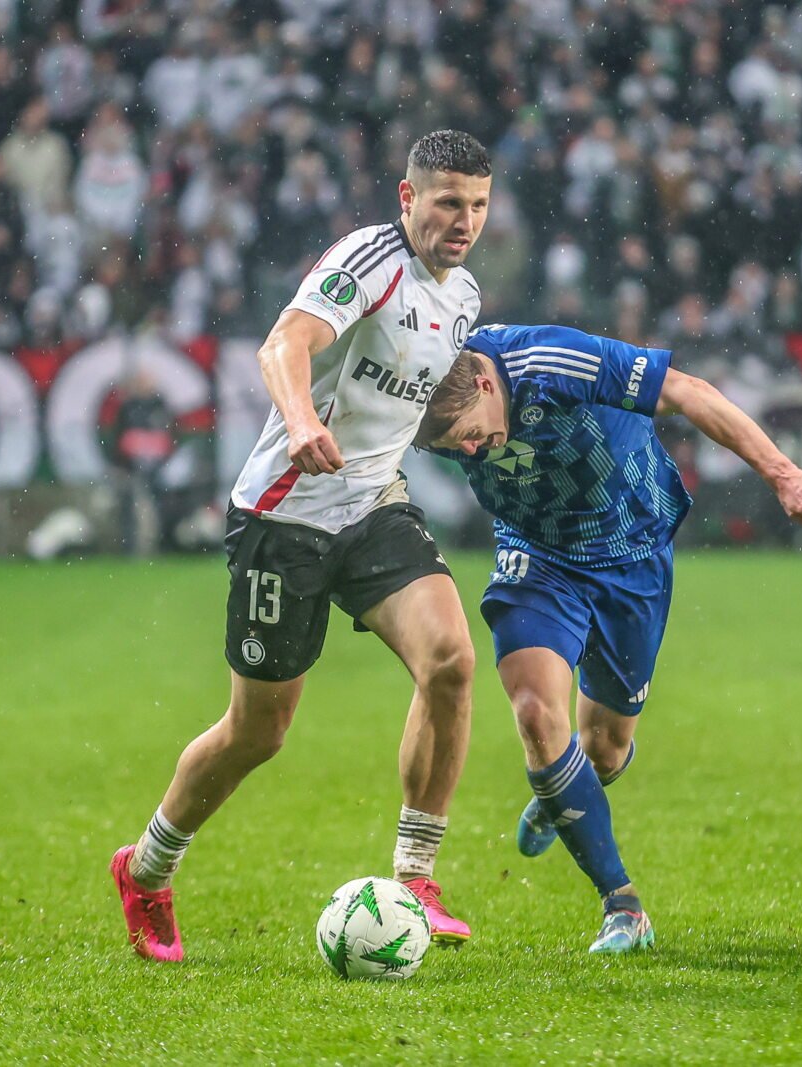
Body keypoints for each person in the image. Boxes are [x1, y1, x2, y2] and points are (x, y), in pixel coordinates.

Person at [111, 131, 490, 962]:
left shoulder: (462, 296)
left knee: (453, 660)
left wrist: (457, 425)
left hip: (374, 507)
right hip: (284, 517)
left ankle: (417, 874)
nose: (464, 221)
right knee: (258, 732)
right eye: (448, 202)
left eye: (478, 205)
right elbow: (283, 344)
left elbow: (408, 396)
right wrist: (303, 419)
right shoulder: (368, 258)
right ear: (407, 197)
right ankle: (146, 868)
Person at [413, 323, 802, 954]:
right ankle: (622, 905)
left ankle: (563, 785)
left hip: (631, 551)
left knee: (604, 749)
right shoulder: (428, 412)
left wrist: (782, 474)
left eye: (472, 435)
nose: (475, 453)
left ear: (487, 383)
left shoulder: (549, 361)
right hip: (536, 554)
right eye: (457, 448)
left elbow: (687, 392)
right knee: (537, 712)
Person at [108, 372, 174, 556]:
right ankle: (133, 547)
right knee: (132, 509)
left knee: (154, 509)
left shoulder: (159, 407)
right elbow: (120, 438)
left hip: (157, 471)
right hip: (132, 469)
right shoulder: (129, 407)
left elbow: (168, 437)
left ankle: (156, 546)